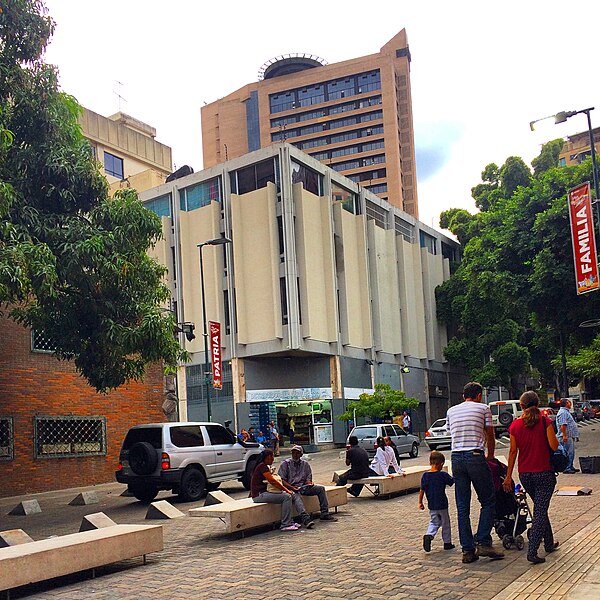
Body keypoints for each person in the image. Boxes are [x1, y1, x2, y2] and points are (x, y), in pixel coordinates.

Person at [447, 381, 504, 563]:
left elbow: (451, 431)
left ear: (464, 396)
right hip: (475, 456)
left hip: (456, 458)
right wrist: (491, 455)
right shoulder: (483, 408)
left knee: (462, 506)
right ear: (479, 395)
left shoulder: (451, 411)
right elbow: (490, 434)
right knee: (488, 500)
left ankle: (468, 550)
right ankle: (484, 541)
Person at [503, 391, 560, 564]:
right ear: (537, 403)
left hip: (525, 474)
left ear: (521, 406)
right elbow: (554, 446)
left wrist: (507, 477)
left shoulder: (514, 426)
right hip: (544, 472)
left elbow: (513, 452)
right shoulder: (545, 421)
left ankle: (549, 543)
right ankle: (533, 550)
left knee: (540, 507)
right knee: (540, 511)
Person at [250, 448, 314, 531]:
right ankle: (285, 524)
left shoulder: (265, 466)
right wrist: (286, 490)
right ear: (268, 457)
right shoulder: (262, 466)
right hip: (259, 495)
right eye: (272, 457)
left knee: (291, 495)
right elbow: (273, 481)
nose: (273, 459)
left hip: (265, 492)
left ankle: (292, 521)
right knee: (286, 497)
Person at [278, 445, 337, 521]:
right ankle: (305, 518)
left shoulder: (305, 464)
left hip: (303, 487)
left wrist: (309, 483)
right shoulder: (285, 464)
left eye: (297, 453)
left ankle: (324, 513)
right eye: (293, 453)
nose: (295, 455)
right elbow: (281, 480)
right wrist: (292, 487)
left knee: (320, 489)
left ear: (301, 455)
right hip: (291, 488)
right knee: (296, 496)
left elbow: (308, 478)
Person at [419, 450, 455, 552]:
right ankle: (447, 543)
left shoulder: (425, 476)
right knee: (445, 523)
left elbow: (422, 490)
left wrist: (420, 502)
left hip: (432, 505)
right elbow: (452, 481)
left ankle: (429, 535)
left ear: (430, 462)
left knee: (434, 522)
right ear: (441, 463)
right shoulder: (442, 475)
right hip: (442, 504)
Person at [556, 398, 579, 474]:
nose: (570, 404)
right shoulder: (563, 413)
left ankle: (570, 466)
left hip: (568, 436)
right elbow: (563, 425)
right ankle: (567, 467)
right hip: (566, 436)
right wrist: (565, 435)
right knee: (568, 452)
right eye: (569, 402)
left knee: (570, 452)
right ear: (566, 403)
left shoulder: (565, 412)